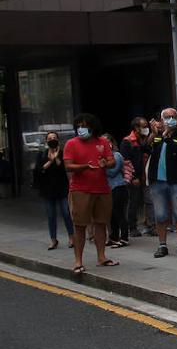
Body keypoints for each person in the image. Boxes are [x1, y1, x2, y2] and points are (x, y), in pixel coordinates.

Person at [63, 114, 118, 273]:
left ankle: (102, 257)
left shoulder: (102, 142)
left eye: (84, 126)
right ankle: (78, 261)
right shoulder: (71, 143)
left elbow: (112, 161)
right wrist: (85, 167)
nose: (81, 129)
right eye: (79, 126)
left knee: (101, 223)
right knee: (80, 226)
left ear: (93, 127)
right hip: (80, 190)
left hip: (102, 189)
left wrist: (105, 163)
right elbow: (68, 166)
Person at [146, 107, 177, 259]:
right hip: (157, 181)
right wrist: (153, 134)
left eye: (173, 117)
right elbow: (145, 149)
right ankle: (162, 245)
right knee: (160, 214)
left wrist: (167, 138)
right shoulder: (156, 135)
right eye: (167, 117)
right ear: (161, 120)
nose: (171, 120)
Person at [33, 132, 72, 250]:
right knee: (51, 215)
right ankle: (53, 239)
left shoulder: (63, 153)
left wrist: (57, 158)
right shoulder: (42, 154)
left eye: (54, 138)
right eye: (50, 138)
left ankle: (71, 237)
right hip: (47, 189)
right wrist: (50, 161)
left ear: (58, 140)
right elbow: (38, 170)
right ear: (46, 141)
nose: (52, 140)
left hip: (62, 188)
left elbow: (64, 168)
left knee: (66, 213)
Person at [120, 118, 150, 238]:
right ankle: (132, 227)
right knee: (133, 202)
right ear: (136, 128)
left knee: (147, 201)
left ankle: (149, 224)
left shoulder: (143, 140)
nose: (146, 129)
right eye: (144, 126)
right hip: (134, 177)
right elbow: (126, 161)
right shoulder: (127, 142)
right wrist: (133, 177)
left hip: (145, 175)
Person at [103, 134, 130, 248]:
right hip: (108, 189)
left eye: (106, 141)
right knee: (111, 214)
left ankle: (124, 238)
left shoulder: (117, 155)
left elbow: (113, 172)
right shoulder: (104, 157)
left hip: (118, 187)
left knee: (119, 213)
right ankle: (113, 237)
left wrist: (102, 167)